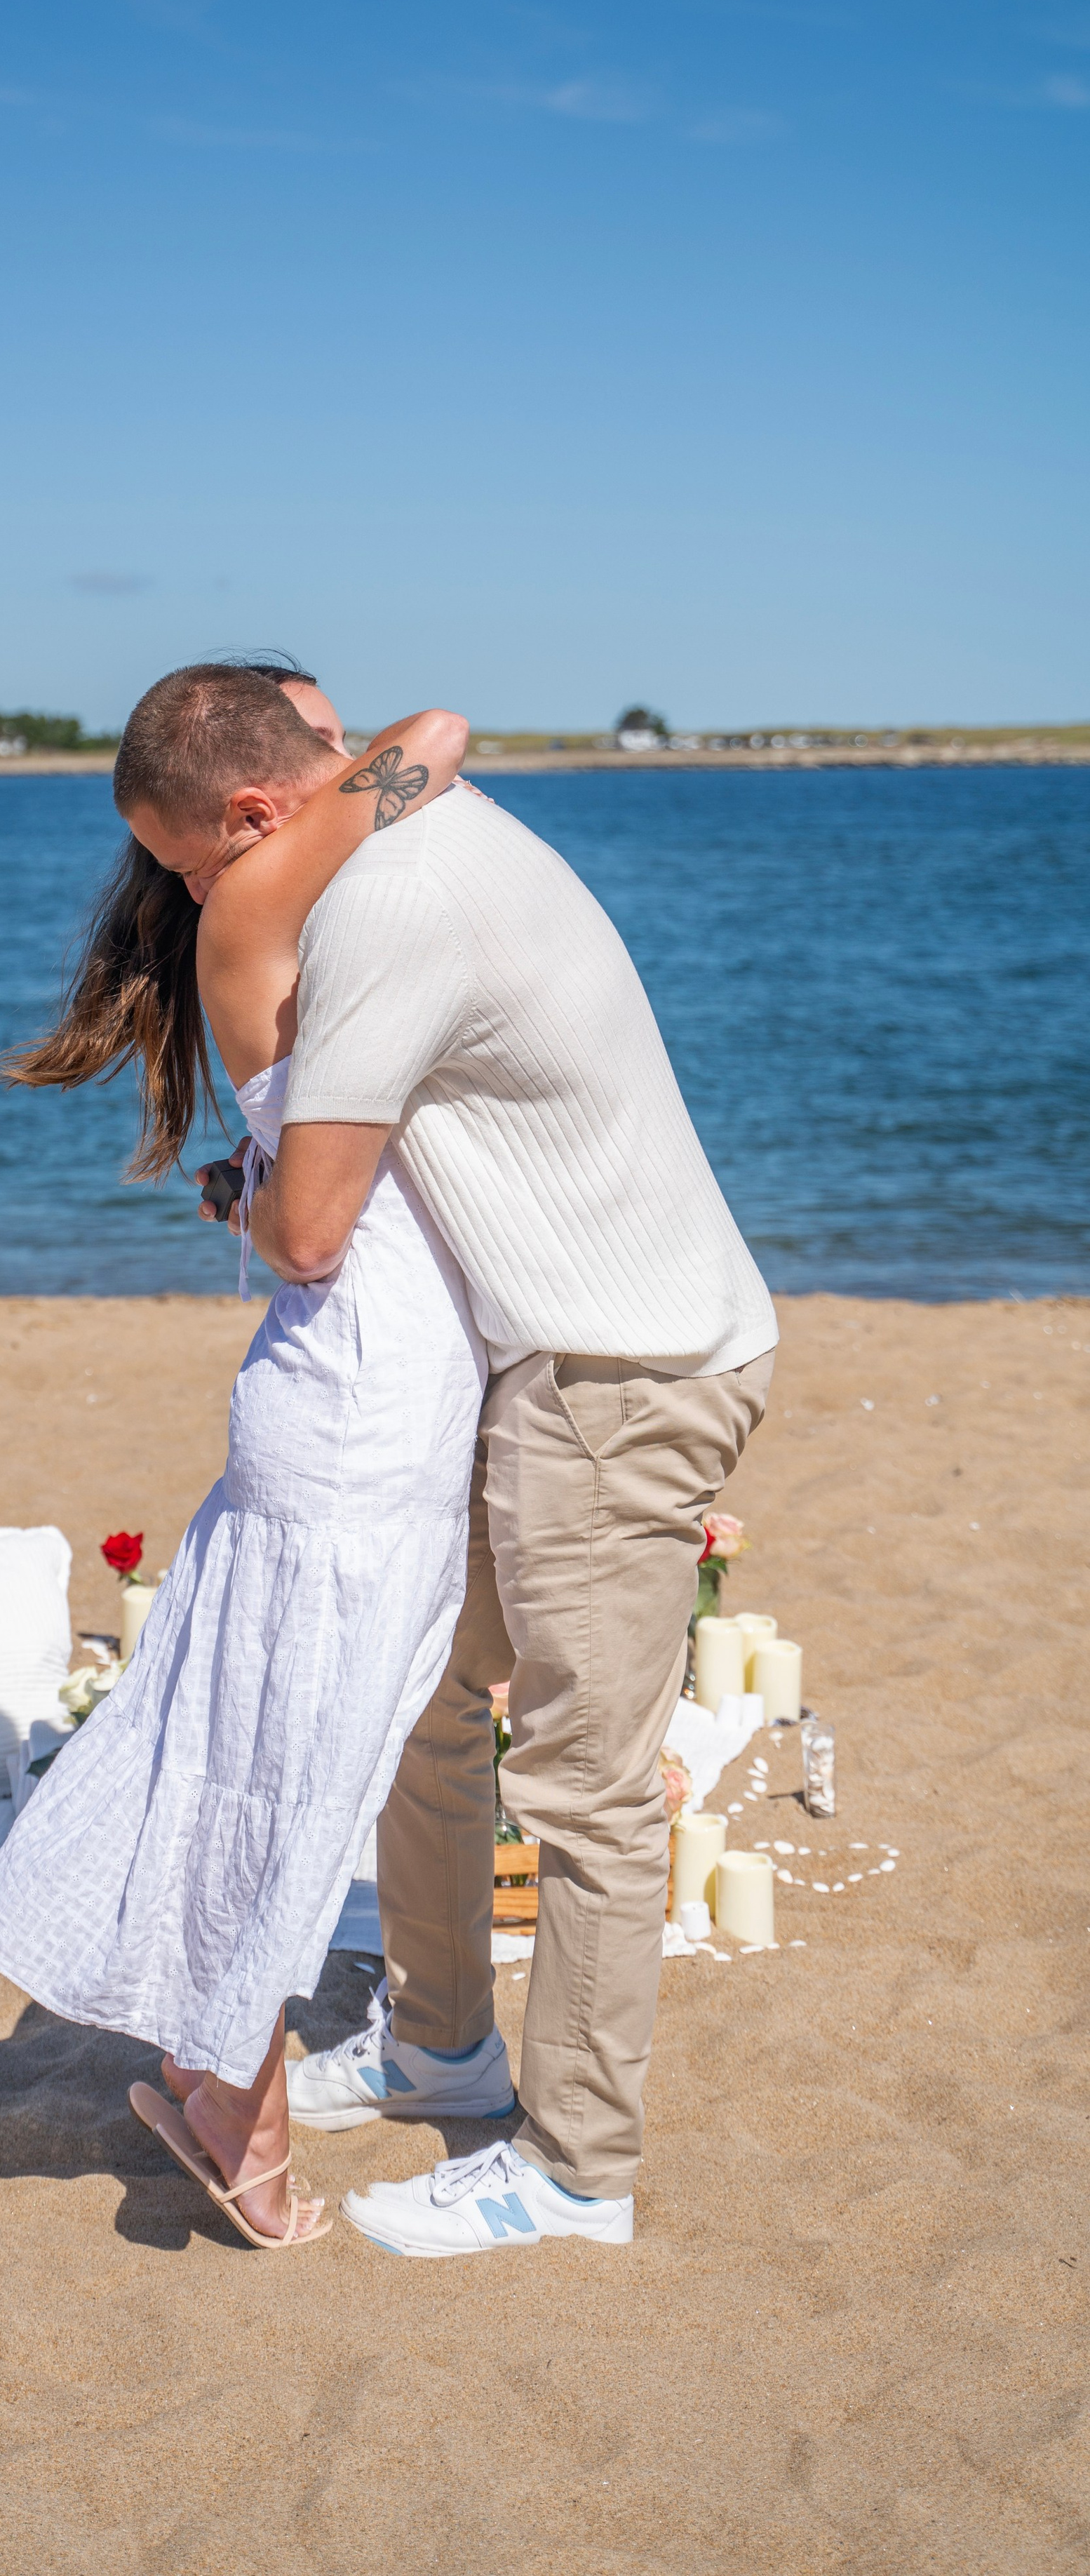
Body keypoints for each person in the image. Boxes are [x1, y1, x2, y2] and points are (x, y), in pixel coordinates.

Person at [0, 665, 498, 2247]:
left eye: (189, 857)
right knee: (285, 1782)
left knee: (259, 1762)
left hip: (343, 1403)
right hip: (357, 1416)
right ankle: (241, 2118)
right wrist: (311, 783)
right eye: (195, 862)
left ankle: (216, 2077)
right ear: (266, 804)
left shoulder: (272, 892)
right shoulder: (264, 892)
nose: (195, 888)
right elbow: (436, 735)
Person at [229, 721, 779, 2255]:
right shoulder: (411, 830)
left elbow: (307, 1232)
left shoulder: (387, 902)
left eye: (188, 865)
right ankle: (439, 2043)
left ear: (258, 814)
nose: (203, 897)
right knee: (432, 1697)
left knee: (584, 1785)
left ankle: (576, 2169)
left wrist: (255, 1197)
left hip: (618, 1375)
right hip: (547, 1357)